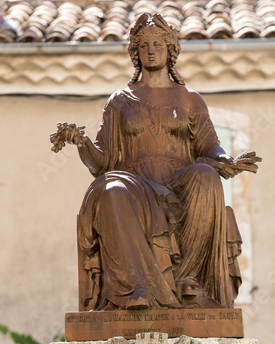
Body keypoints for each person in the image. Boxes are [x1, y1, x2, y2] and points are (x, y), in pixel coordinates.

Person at [51, 13, 259, 312]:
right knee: (110, 190)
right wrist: (81, 142)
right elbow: (102, 162)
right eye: (143, 45)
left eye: (158, 44)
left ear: (170, 49)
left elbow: (209, 145)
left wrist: (226, 160)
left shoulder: (190, 99)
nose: (150, 50)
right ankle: (137, 287)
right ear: (135, 52)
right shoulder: (120, 100)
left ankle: (188, 278)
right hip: (134, 185)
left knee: (205, 176)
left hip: (179, 182)